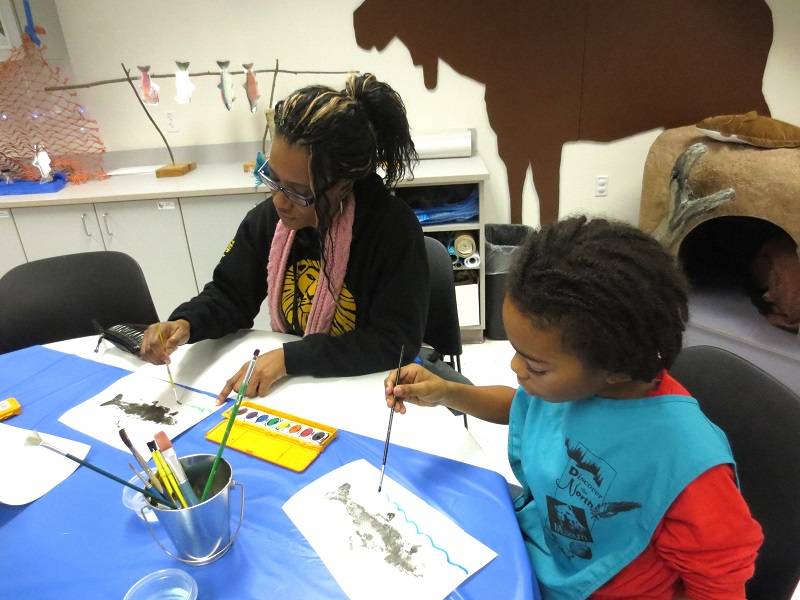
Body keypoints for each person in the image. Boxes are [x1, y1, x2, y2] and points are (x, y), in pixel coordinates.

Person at [385, 216, 763, 599]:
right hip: (537, 558)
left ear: (615, 368)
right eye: (517, 352)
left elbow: (719, 585)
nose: (515, 367)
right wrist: (447, 393)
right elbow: (525, 408)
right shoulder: (575, 387)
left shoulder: (690, 470)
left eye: (534, 365)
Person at [140, 73, 428, 402]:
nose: (279, 201)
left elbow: (393, 342)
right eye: (273, 179)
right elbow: (230, 295)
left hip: (369, 385)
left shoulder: (391, 229)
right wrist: (186, 322)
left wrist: (290, 359)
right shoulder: (270, 221)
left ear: (343, 185)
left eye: (299, 191)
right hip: (300, 383)